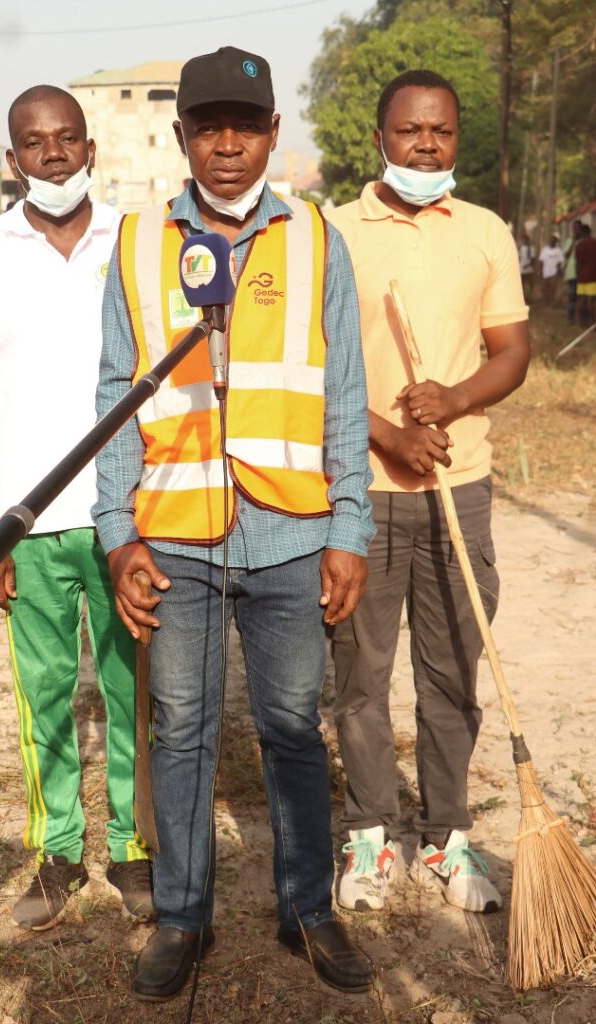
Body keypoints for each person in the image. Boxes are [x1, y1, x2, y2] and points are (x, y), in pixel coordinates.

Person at [94, 46, 375, 1001]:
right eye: (207, 126)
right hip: (174, 533)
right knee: (181, 730)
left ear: (271, 134)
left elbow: (344, 395)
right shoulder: (137, 243)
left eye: (244, 126)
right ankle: (182, 918)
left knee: (292, 725)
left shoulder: (316, 237)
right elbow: (116, 397)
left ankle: (308, 909)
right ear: (181, 136)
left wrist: (349, 531)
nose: (226, 145)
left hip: (292, 534)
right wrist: (117, 533)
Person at [0, 85, 152, 932]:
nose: (53, 153)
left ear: (90, 148)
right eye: (35, 141)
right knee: (45, 698)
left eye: (67, 138)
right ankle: (58, 851)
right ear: (13, 157)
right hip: (25, 525)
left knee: (134, 692)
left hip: (125, 519)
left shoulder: (135, 243)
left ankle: (134, 848)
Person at [328, 69, 530, 916]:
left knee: (451, 675)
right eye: (409, 130)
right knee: (360, 678)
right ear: (379, 137)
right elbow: (316, 371)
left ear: (455, 141)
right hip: (362, 492)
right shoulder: (334, 232)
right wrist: (390, 434)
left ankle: (446, 837)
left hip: (460, 487)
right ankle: (370, 835)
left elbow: (510, 352)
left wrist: (453, 399)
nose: (425, 145)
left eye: (440, 131)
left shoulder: (484, 231)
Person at [575, 223, 596, 327]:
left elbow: (578, 262)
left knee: (581, 300)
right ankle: (592, 324)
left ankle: (580, 323)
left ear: (582, 233)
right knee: (590, 301)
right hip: (592, 275)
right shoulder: (594, 243)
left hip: (581, 275)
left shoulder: (578, 245)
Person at [538, 233, 564, 306]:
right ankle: (545, 302)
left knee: (552, 288)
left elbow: (559, 262)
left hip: (554, 272)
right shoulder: (545, 250)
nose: (552, 241)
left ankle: (551, 302)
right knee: (545, 288)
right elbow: (541, 261)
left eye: (554, 240)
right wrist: (540, 271)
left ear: (556, 241)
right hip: (545, 272)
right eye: (551, 240)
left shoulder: (558, 250)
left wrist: (559, 271)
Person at [517, 231, 535, 304]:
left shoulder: (531, 248)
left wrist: (526, 265)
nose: (524, 241)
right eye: (523, 240)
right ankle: (521, 298)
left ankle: (530, 298)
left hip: (529, 270)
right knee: (521, 285)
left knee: (530, 285)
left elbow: (533, 260)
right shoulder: (520, 248)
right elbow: (518, 257)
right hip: (521, 270)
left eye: (525, 240)